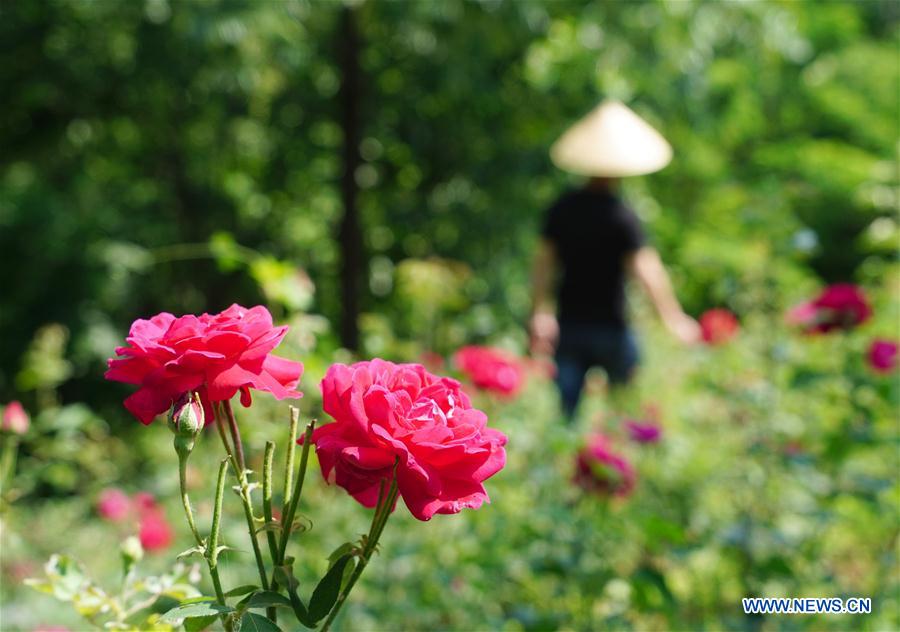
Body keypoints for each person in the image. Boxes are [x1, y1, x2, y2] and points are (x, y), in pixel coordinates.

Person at [530, 100, 699, 419]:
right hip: (611, 327)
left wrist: (541, 311)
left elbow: (543, 264)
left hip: (571, 324)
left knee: (566, 415)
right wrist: (673, 317)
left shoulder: (562, 209)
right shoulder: (622, 216)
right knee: (624, 413)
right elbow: (646, 269)